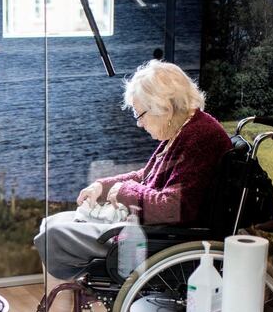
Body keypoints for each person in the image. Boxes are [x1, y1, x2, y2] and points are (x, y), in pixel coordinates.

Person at [34, 59, 232, 285]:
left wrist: (124, 191)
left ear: (164, 108)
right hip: (151, 230)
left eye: (140, 115)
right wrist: (104, 186)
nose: (139, 124)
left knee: (53, 235)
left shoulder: (198, 138)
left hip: (156, 241)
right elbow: (146, 176)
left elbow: (174, 207)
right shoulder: (185, 129)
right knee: (50, 223)